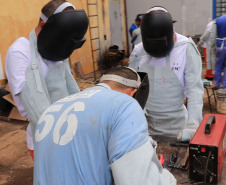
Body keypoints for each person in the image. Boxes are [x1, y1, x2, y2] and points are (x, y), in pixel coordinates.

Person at [33, 66, 176, 185]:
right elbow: (137, 180)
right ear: (133, 93)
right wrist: (168, 179)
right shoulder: (124, 104)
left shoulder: (54, 107)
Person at [5, 0, 88, 160]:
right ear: (45, 26)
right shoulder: (19, 52)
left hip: (72, 131)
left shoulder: (56, 47)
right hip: (46, 140)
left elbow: (70, 87)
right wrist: (62, 135)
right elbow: (30, 107)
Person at [129, 6, 204, 142]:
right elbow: (132, 89)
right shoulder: (139, 51)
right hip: (146, 126)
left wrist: (193, 126)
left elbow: (195, 90)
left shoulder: (185, 48)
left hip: (178, 126)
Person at [209, 15, 226, 89]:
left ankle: (217, 84)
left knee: (218, 66)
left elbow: (213, 36)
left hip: (220, 46)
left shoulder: (217, 20)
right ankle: (224, 86)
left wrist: (213, 47)